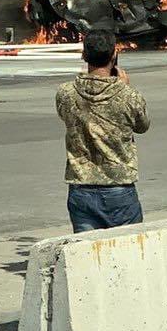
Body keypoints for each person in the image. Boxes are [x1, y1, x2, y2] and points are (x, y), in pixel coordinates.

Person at [56, 28, 151, 232]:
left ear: (84, 55)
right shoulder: (128, 95)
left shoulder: (65, 93)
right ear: (114, 56)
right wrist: (124, 87)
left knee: (87, 252)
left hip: (81, 186)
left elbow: (65, 115)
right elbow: (142, 126)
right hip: (119, 187)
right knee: (127, 250)